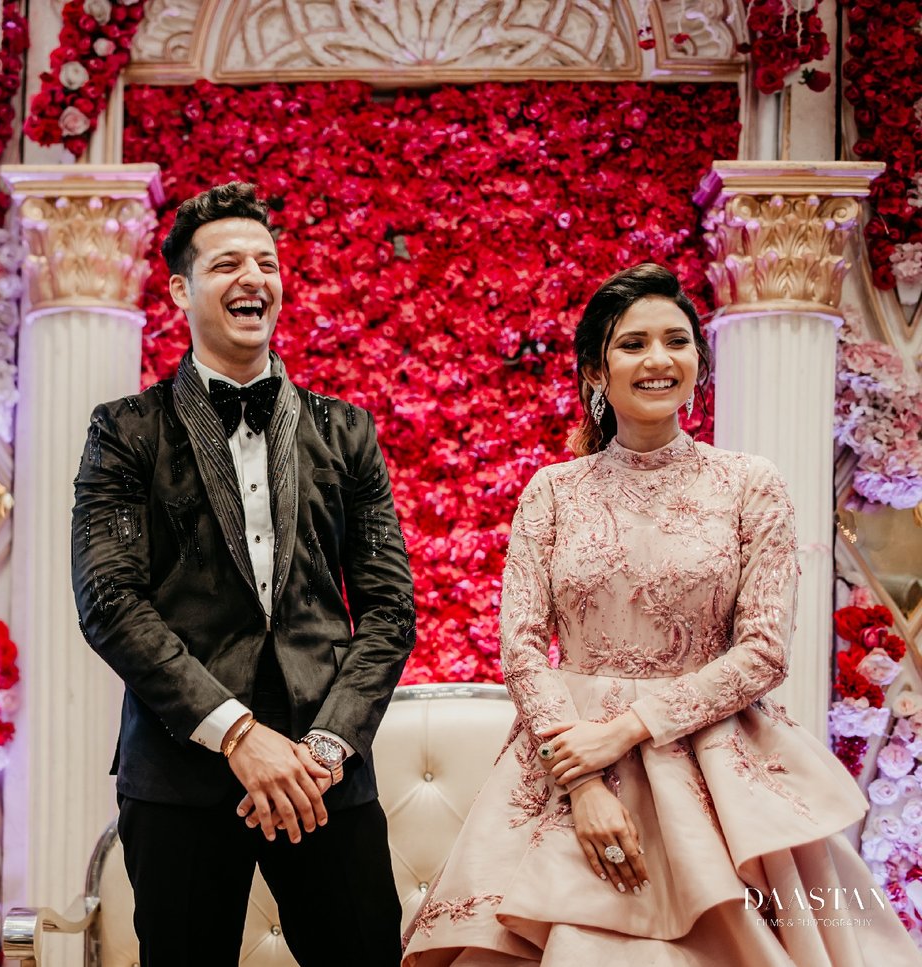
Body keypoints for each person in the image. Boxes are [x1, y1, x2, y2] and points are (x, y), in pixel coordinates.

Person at [402, 264, 921, 965]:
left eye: (676, 341)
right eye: (632, 343)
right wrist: (582, 778)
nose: (657, 359)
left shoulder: (749, 484)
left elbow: (764, 650)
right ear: (595, 368)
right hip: (565, 757)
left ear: (698, 363)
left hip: (713, 761)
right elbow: (522, 647)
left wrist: (625, 729)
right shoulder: (552, 491)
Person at [71, 181, 416, 965]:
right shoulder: (125, 432)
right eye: (227, 262)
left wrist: (326, 745)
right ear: (181, 290)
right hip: (179, 775)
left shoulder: (348, 430)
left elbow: (391, 608)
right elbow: (109, 601)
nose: (252, 276)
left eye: (266, 261)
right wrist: (238, 736)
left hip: (326, 778)